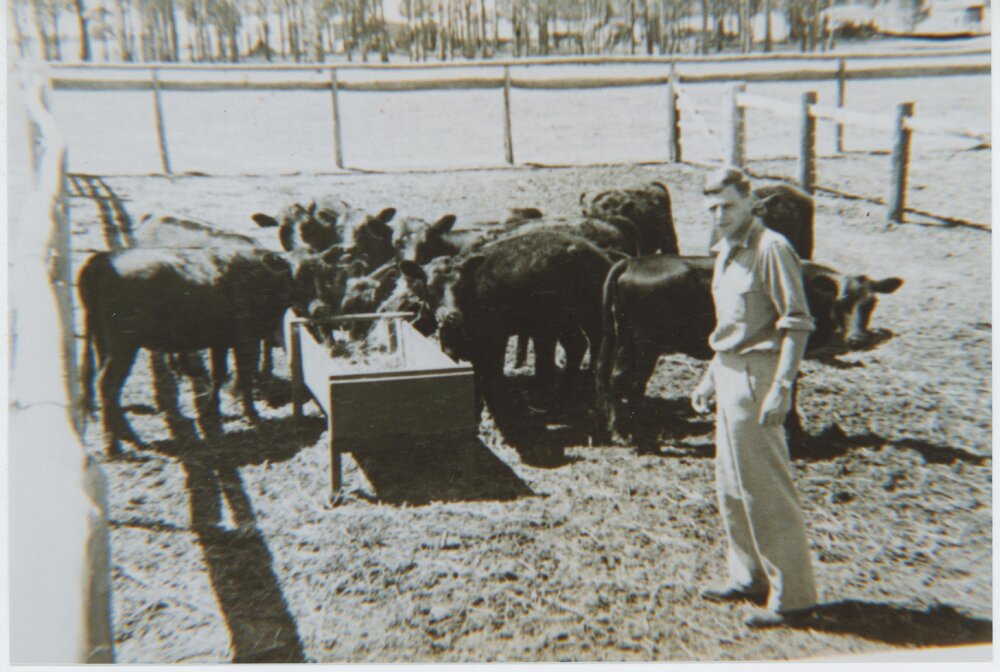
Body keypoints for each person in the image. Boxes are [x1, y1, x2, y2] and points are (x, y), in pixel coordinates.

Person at [691, 166, 818, 628]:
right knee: (731, 484)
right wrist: (710, 376)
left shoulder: (772, 249)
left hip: (758, 378)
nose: (719, 214)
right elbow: (731, 327)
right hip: (729, 373)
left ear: (750, 202)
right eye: (712, 207)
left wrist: (782, 387)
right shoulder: (725, 249)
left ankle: (794, 596)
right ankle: (748, 577)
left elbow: (796, 323)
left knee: (765, 488)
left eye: (727, 205)